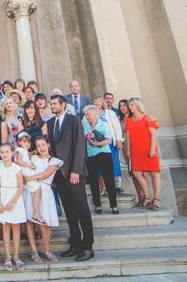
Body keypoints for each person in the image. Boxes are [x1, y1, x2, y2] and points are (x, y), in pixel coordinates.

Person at [47, 94, 94, 262]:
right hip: (59, 174)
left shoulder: (73, 120)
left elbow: (79, 146)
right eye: (50, 104)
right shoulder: (50, 123)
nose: (51, 106)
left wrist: (76, 170)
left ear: (63, 104)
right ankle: (75, 243)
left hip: (74, 173)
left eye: (54, 103)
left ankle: (88, 245)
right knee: (69, 211)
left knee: (82, 209)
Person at [27, 136, 63, 263]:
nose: (41, 148)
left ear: (48, 145)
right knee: (30, 222)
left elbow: (45, 175)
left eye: (43, 145)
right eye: (38, 146)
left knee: (45, 224)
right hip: (31, 190)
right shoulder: (33, 158)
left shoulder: (54, 161)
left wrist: (27, 179)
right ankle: (34, 252)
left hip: (45, 192)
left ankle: (47, 251)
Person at [0, 142, 26, 271]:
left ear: (12, 153)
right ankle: (7, 256)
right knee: (6, 227)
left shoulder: (17, 168)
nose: (4, 154)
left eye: (7, 152)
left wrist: (13, 201)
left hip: (15, 199)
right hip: (3, 196)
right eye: (2, 152)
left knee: (16, 227)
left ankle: (16, 256)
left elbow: (21, 186)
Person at [126, 97, 161, 211]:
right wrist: (128, 151)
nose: (130, 107)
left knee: (154, 173)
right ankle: (147, 196)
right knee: (136, 173)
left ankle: (156, 199)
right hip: (136, 151)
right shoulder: (128, 121)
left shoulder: (148, 118)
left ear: (138, 105)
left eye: (132, 105)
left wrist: (152, 149)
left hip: (148, 149)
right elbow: (128, 138)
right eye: (129, 105)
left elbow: (153, 135)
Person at [82, 105, 119, 214]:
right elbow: (82, 137)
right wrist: (87, 136)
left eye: (88, 114)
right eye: (85, 115)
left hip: (104, 154)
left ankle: (114, 206)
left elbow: (108, 140)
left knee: (109, 181)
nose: (87, 117)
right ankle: (97, 205)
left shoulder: (103, 124)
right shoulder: (85, 124)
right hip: (91, 155)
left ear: (95, 113)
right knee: (93, 181)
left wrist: (97, 143)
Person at [93, 96, 124, 194]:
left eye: (99, 101)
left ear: (102, 102)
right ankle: (104, 187)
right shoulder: (91, 114)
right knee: (99, 166)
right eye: (95, 101)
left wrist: (119, 140)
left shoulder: (110, 113)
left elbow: (117, 127)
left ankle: (113, 186)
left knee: (111, 165)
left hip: (109, 143)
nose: (97, 103)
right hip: (97, 144)